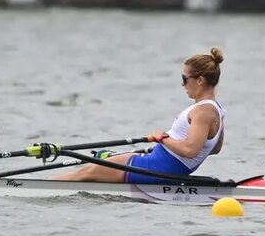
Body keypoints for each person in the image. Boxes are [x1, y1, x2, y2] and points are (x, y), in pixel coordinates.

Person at [53, 47, 225, 183]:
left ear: (200, 80)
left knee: (86, 172)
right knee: (93, 167)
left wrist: (163, 138)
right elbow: (215, 148)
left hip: (159, 167)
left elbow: (190, 150)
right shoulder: (217, 109)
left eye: (185, 78)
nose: (182, 84)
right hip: (161, 162)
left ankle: (32, 188)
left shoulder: (203, 112)